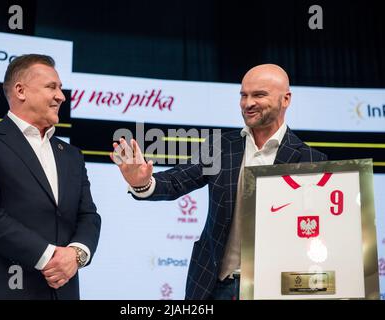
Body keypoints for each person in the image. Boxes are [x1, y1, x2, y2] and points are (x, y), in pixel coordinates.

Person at [111, 64, 327, 300]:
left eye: (259, 95)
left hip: (277, 289)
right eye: (243, 95)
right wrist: (143, 182)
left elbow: (317, 233)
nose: (248, 103)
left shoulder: (312, 160)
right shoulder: (221, 146)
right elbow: (176, 181)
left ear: (286, 99)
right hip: (214, 287)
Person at [0, 54, 101, 300]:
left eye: (61, 88)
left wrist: (76, 254)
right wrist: (51, 257)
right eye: (51, 87)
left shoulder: (72, 155)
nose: (61, 96)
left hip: (62, 291)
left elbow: (88, 215)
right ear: (20, 91)